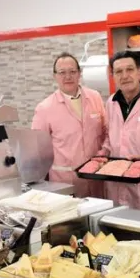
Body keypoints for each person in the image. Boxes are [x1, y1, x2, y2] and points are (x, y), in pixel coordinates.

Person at [31, 52, 107, 197]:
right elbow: (38, 150)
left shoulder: (94, 97)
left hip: (97, 178)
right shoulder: (45, 108)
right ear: (55, 76)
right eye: (62, 72)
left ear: (79, 73)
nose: (68, 76)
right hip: (65, 183)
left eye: (72, 71)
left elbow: (105, 131)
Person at [100, 50, 140, 212]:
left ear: (139, 71)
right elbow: (110, 138)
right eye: (118, 72)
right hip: (118, 180)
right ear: (113, 75)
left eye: (129, 70)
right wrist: (102, 155)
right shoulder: (111, 102)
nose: (124, 76)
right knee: (119, 229)